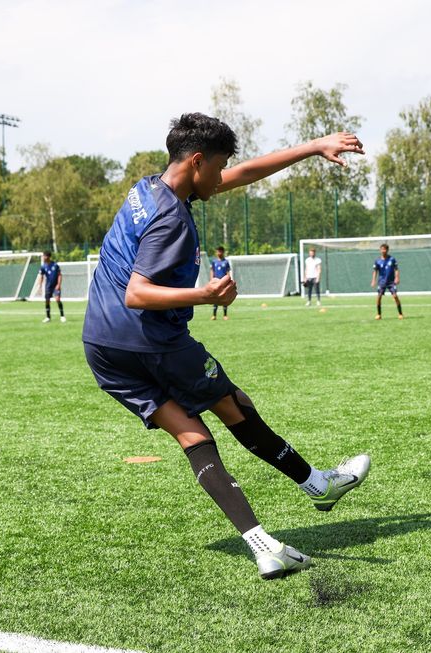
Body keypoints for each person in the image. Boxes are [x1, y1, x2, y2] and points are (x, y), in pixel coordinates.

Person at [82, 113, 371, 580]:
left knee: (192, 434)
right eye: (217, 167)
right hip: (151, 339)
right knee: (233, 403)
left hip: (101, 344)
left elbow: (242, 174)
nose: (221, 177)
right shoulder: (171, 221)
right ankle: (317, 484)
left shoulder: (147, 188)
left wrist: (312, 146)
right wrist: (206, 294)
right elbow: (138, 292)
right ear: (196, 161)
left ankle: (264, 546)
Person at [371, 244, 403, 320]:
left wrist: (397, 278)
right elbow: (375, 271)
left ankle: (400, 313)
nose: (383, 251)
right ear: (380, 250)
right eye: (382, 249)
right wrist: (373, 280)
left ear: (387, 250)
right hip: (382, 282)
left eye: (384, 249)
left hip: (391, 282)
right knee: (379, 297)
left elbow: (396, 269)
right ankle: (379, 314)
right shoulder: (377, 261)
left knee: (395, 296)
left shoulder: (392, 259)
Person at [37, 251, 65, 323]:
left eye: (44, 256)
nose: (43, 258)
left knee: (57, 299)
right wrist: (40, 286)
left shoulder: (55, 265)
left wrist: (58, 284)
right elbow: (41, 276)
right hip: (48, 286)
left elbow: (59, 275)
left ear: (48, 257)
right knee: (47, 301)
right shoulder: (43, 266)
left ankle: (62, 316)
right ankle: (48, 317)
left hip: (55, 286)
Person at [210, 246, 231, 320]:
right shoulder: (214, 261)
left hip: (224, 282)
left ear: (223, 252)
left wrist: (229, 280)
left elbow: (228, 272)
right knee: (215, 297)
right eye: (218, 251)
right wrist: (211, 279)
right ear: (216, 252)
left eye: (220, 251)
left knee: (224, 297)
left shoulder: (226, 262)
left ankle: (225, 315)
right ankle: (214, 315)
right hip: (216, 282)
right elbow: (212, 270)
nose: (219, 252)